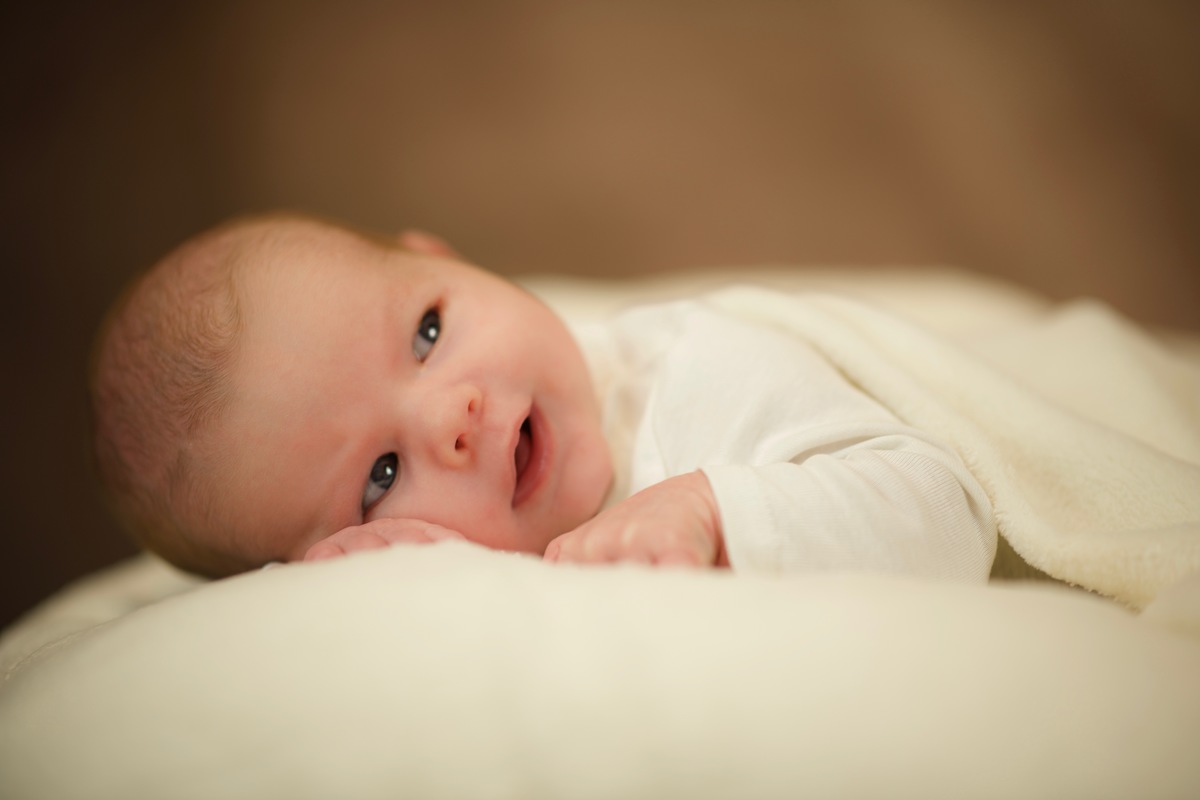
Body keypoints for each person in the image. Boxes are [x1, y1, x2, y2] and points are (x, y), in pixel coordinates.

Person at [90, 212, 996, 580]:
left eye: (428, 334)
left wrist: (710, 508)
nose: (451, 418)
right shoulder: (479, 580)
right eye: (380, 475)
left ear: (447, 260)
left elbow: (948, 511)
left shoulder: (699, 376)